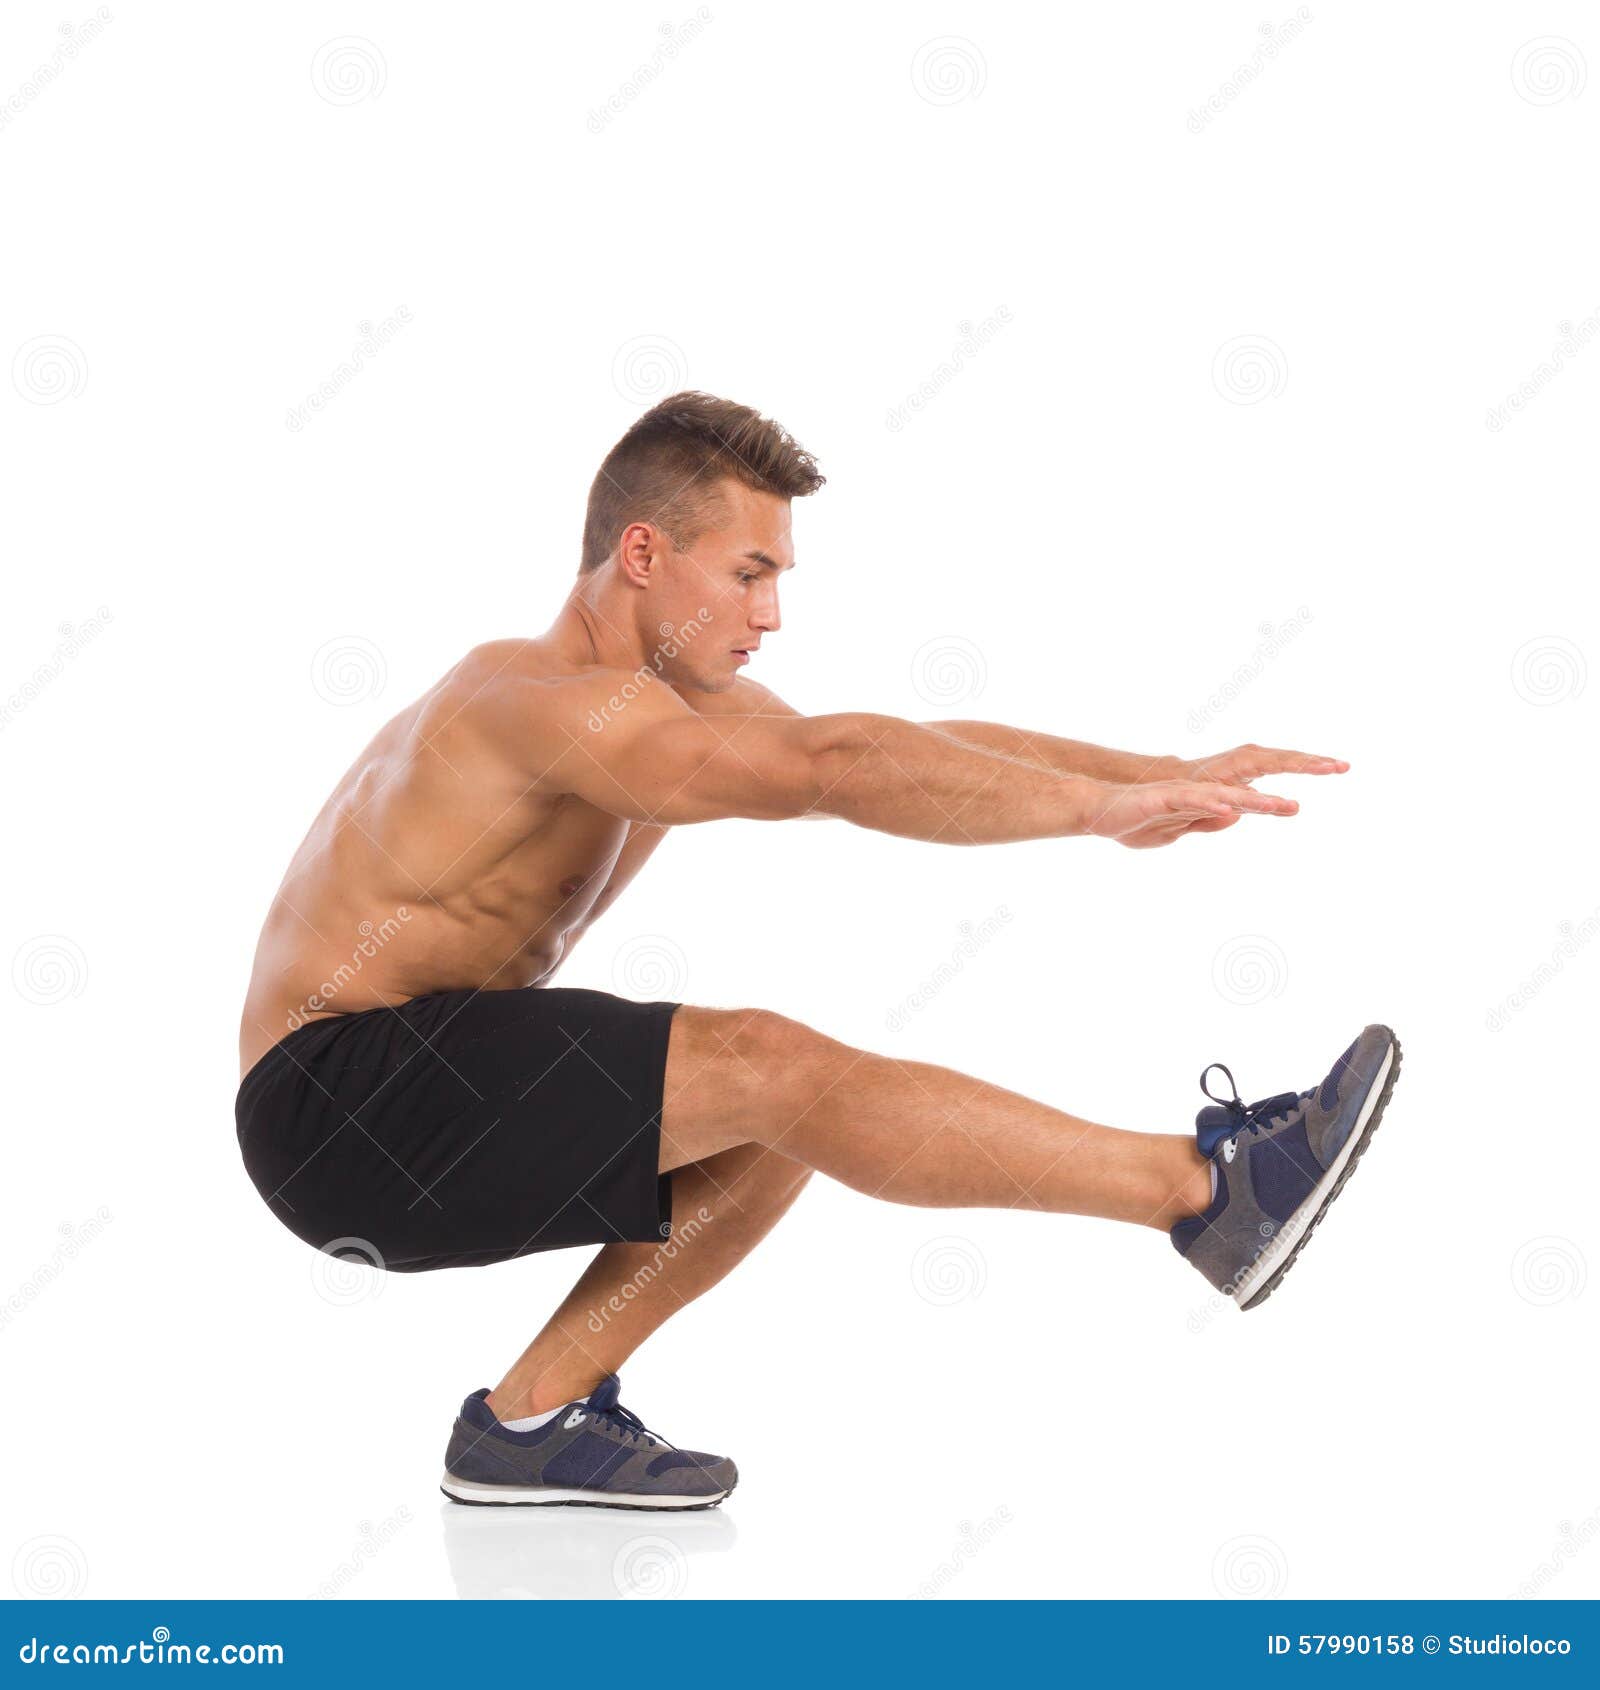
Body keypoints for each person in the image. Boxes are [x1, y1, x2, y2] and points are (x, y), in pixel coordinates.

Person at [235, 391, 1401, 1509]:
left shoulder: (649, 701)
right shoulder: (538, 700)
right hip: (337, 1101)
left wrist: (1149, 777)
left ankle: (528, 1423)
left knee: (775, 1118)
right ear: (643, 555)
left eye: (776, 578)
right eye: (749, 573)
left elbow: (898, 746)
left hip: (402, 1094)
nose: (771, 614)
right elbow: (830, 770)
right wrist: (1091, 814)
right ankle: (1208, 1192)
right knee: (770, 1066)